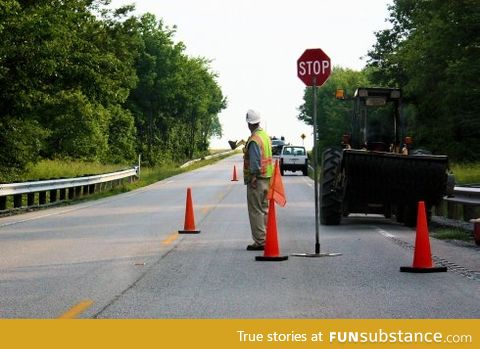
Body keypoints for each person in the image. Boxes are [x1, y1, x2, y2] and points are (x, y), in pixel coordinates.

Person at [243, 109, 273, 251]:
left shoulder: (255, 139)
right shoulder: (265, 136)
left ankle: (260, 241)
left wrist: (253, 177)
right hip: (267, 178)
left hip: (257, 179)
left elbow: (255, 160)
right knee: (264, 210)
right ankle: (266, 237)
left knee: (255, 211)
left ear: (249, 124)